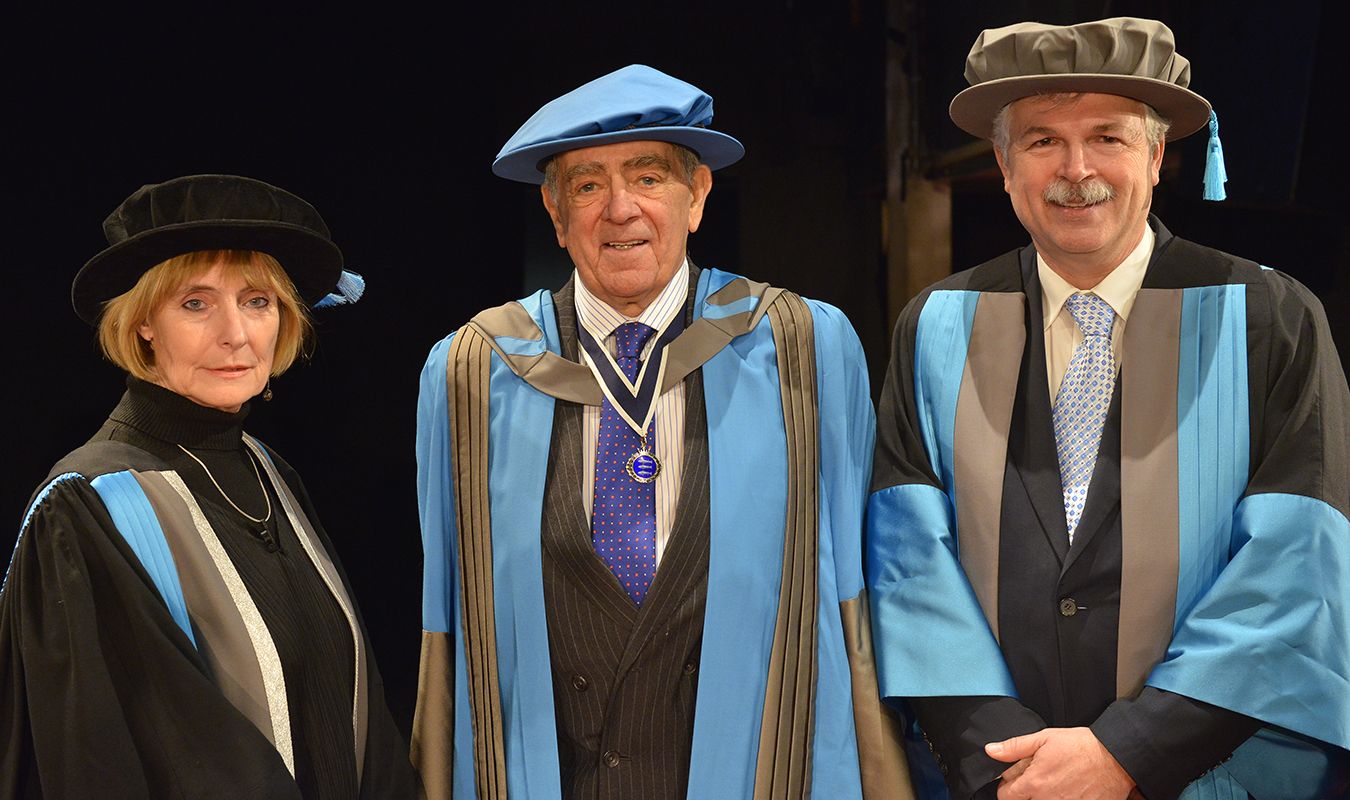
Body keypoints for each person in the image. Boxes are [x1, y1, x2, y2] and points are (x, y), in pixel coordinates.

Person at [866, 17, 1350, 800]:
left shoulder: (1267, 316)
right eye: (1041, 141)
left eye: (1108, 138)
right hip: (1001, 782)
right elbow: (907, 559)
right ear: (1002, 162)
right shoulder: (938, 324)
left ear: (1158, 157)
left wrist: (1129, 753)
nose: (1076, 169)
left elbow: (1298, 565)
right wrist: (1004, 759)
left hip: (1218, 772)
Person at [413, 64, 912, 799]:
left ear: (697, 195)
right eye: (586, 186)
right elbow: (445, 627)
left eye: (648, 177)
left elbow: (856, 601)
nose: (620, 209)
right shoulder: (471, 371)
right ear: (555, 214)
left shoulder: (804, 346)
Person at [0, 174, 419, 798]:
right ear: (142, 323)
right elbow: (116, 760)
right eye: (195, 303)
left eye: (258, 302)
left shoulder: (268, 471)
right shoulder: (91, 504)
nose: (236, 334)